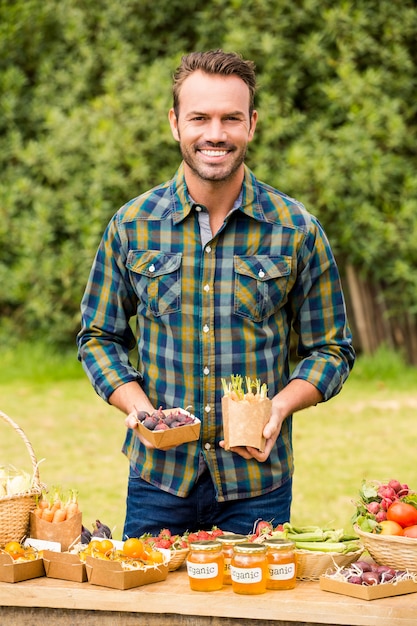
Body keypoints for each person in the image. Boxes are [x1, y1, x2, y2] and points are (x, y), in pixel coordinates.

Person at [77, 49, 355, 539]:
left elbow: (331, 349)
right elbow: (99, 336)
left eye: (231, 118)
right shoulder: (132, 225)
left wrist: (281, 406)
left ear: (252, 124)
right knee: (147, 612)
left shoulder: (295, 229)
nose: (215, 134)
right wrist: (138, 407)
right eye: (199, 117)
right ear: (175, 123)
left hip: (257, 486)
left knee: (252, 613)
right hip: (157, 481)